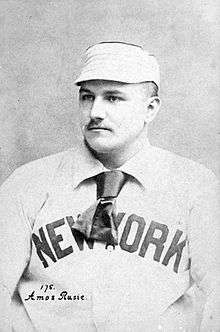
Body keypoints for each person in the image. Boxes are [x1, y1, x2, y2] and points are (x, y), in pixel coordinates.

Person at [0, 41, 219, 332]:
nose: (95, 112)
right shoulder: (28, 183)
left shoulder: (196, 186)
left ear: (150, 109)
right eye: (87, 97)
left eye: (113, 98)